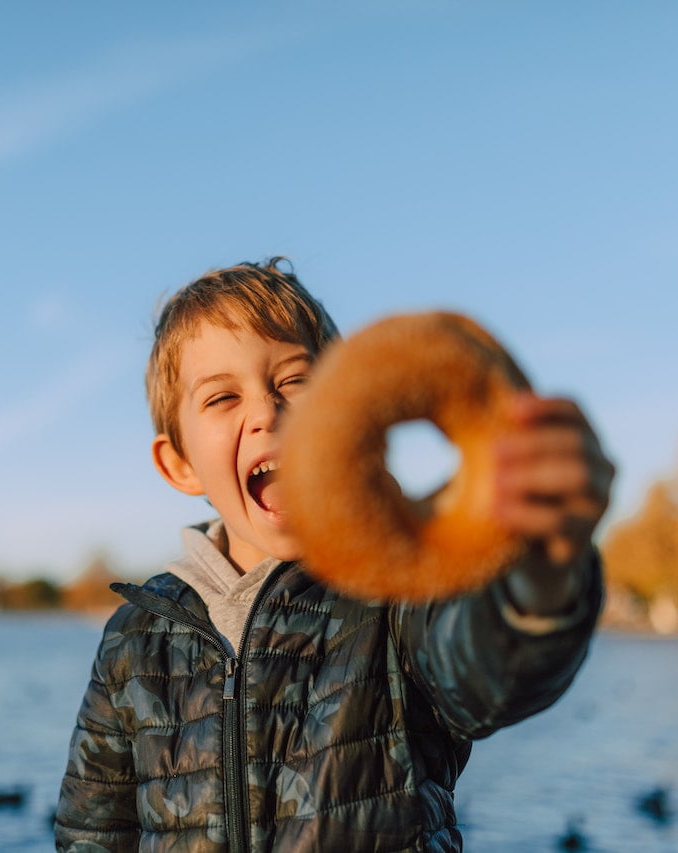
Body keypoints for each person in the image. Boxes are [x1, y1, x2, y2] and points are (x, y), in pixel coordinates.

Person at [54, 258, 613, 851]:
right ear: (181, 463)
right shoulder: (134, 638)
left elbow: (490, 672)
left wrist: (543, 570)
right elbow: (91, 832)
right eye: (222, 398)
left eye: (295, 381)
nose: (268, 412)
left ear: (348, 409)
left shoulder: (399, 593)